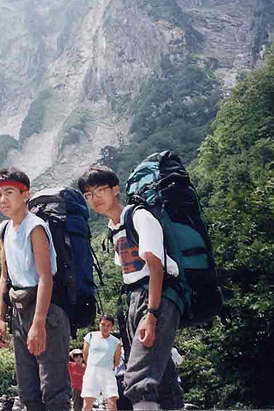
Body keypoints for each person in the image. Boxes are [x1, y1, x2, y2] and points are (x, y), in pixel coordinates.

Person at [78, 165, 184, 411]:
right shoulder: (114, 228)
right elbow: (130, 274)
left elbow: (155, 268)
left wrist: (152, 314)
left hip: (157, 296)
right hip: (135, 298)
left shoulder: (139, 217)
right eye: (88, 194)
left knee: (137, 378)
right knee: (164, 376)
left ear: (115, 189)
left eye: (100, 190)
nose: (94, 199)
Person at [0, 168, 71, 411]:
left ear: (25, 194)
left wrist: (38, 325)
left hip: (46, 313)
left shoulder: (35, 227)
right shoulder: (6, 229)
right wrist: (1, 319)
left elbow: (46, 277)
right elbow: (5, 276)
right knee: (27, 391)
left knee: (54, 390)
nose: (3, 199)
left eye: (9, 192)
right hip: (19, 312)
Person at [81, 314, 122, 411]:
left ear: (112, 326)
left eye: (108, 325)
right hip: (92, 371)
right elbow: (85, 354)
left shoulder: (116, 342)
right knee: (87, 402)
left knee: (112, 401)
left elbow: (117, 361)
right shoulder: (90, 336)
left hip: (108, 372)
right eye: (103, 324)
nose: (105, 327)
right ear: (99, 324)